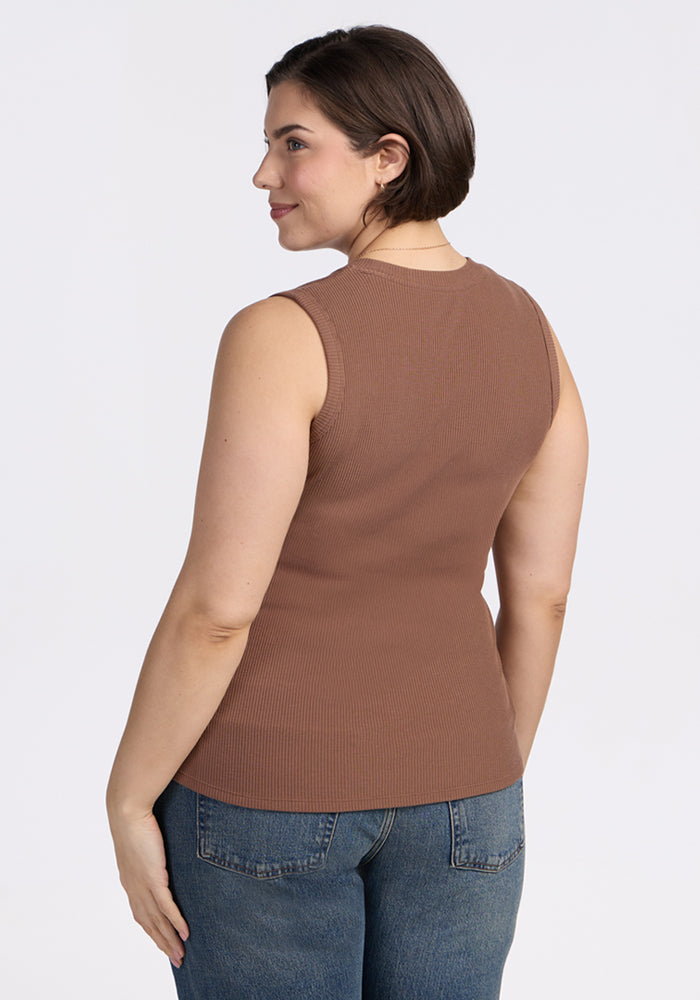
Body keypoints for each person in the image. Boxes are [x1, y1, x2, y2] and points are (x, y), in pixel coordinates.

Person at [107, 25, 587, 1000]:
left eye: (292, 142)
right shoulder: (531, 330)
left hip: (269, 791)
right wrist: (482, 775)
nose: (261, 172)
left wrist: (126, 795)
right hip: (469, 793)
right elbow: (540, 598)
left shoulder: (282, 334)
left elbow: (217, 611)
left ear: (387, 157)